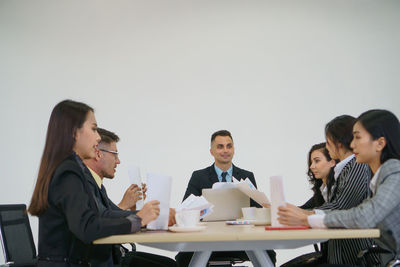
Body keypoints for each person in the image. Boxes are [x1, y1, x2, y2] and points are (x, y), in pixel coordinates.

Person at [28, 100, 160, 267]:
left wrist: (141, 216)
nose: (98, 137)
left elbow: (100, 215)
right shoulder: (68, 172)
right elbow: (87, 227)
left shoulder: (73, 169)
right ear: (75, 132)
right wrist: (137, 220)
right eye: (93, 128)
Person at [278, 109, 400, 266]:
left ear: (380, 143)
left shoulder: (395, 173)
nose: (352, 144)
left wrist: (307, 218)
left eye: (357, 137)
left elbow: (363, 216)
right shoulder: (380, 176)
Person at [176, 130, 276, 266]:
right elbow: (186, 209)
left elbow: (256, 209)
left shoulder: (246, 176)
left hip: (241, 239)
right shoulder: (199, 176)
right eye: (220, 146)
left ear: (234, 149)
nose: (225, 150)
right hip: (206, 239)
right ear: (211, 151)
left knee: (269, 253)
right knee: (183, 257)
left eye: (229, 146)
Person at [83, 128, 177, 267]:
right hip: (101, 259)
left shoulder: (97, 185)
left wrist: (140, 212)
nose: (118, 161)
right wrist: (141, 215)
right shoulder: (84, 184)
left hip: (114, 254)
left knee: (170, 264)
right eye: (114, 155)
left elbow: (111, 213)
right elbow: (102, 218)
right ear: (98, 153)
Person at [300, 142, 336, 210]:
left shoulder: (339, 187)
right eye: (311, 162)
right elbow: (302, 209)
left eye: (317, 161)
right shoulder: (321, 189)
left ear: (332, 162)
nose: (311, 166)